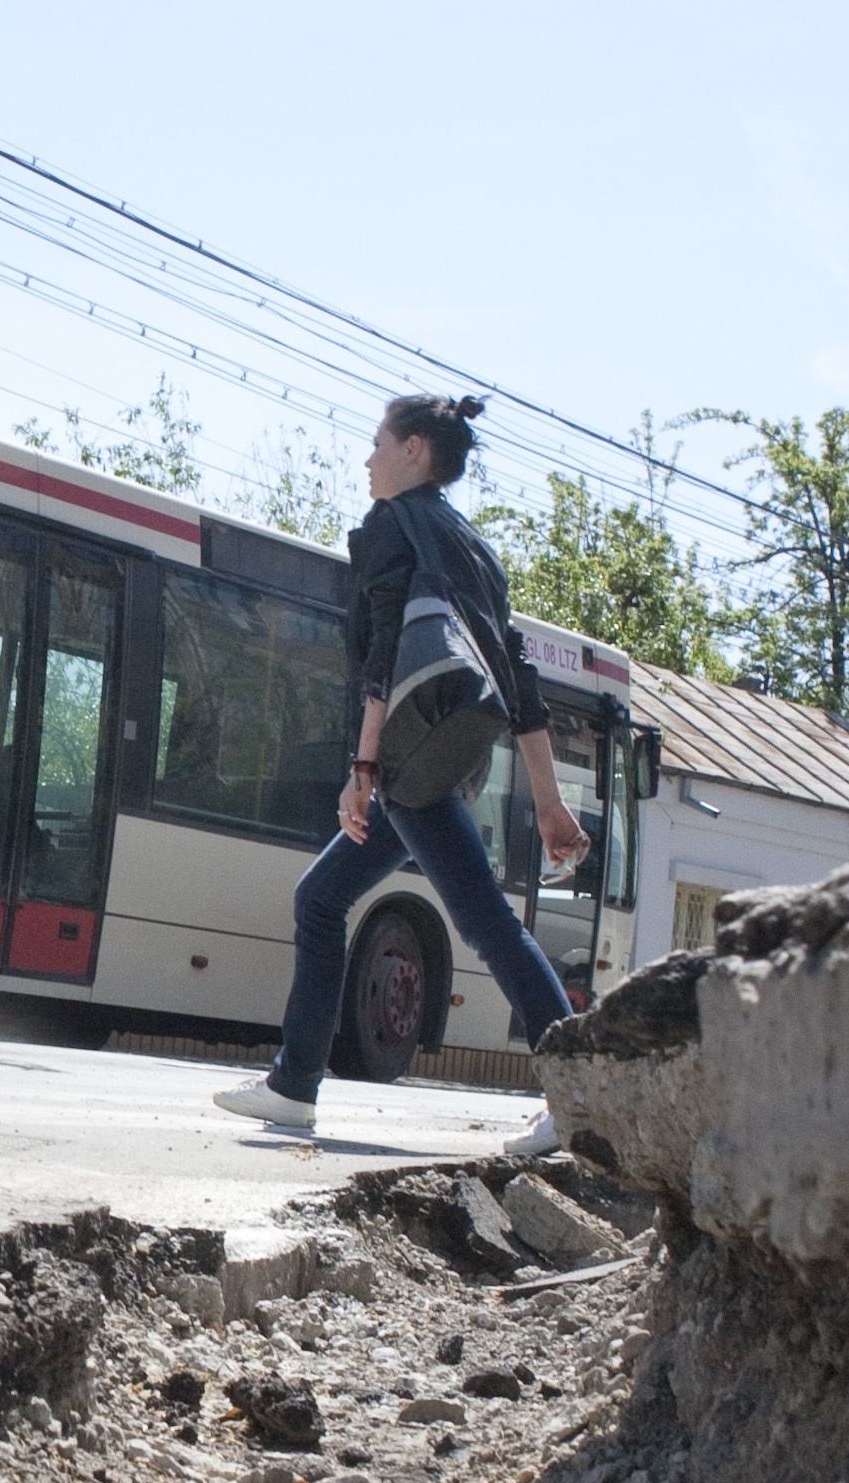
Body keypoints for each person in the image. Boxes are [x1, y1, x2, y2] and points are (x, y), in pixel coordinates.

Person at [214, 394, 583, 1153]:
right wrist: (547, 800)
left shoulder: (391, 525)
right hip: (448, 755)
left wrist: (363, 764)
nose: (367, 458)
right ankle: (293, 1085)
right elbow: (518, 679)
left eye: (377, 442)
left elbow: (382, 650)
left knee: (487, 924)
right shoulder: (473, 547)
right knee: (321, 897)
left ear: (414, 450)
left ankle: (578, 1098)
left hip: (406, 762)